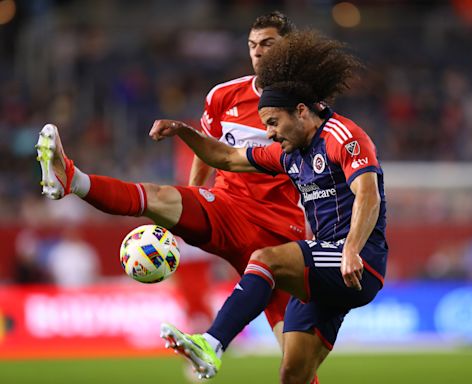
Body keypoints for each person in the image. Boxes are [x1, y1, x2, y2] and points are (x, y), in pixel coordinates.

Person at [35, 10, 312, 372]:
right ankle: (72, 179)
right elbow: (208, 150)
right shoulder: (223, 96)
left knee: (297, 367)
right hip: (228, 211)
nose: (258, 52)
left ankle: (214, 345)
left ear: (287, 49)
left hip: (278, 234)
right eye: (252, 45)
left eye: (268, 44)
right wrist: (192, 200)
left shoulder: (306, 107)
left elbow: (236, 157)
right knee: (159, 196)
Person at [153, 29, 388, 383]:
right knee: (294, 374)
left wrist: (352, 248)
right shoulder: (287, 152)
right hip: (327, 265)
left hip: (357, 259)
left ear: (301, 111)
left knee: (265, 258)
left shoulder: (344, 137)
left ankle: (212, 344)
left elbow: (369, 194)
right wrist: (184, 131)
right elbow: (228, 157)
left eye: (274, 124)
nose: (270, 134)